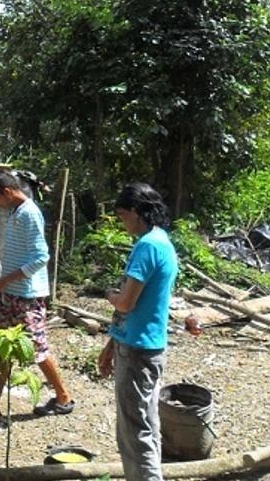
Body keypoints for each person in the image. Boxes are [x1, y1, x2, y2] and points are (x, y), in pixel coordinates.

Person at [0, 170, 73, 425]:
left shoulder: (28, 214)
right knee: (4, 349)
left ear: (7, 192)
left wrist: (5, 281)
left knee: (37, 348)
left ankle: (64, 397)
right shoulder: (15, 212)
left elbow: (41, 257)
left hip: (26, 296)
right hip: (14, 294)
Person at [98, 182, 179, 481]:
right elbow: (143, 306)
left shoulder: (147, 246)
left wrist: (109, 295)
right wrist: (110, 345)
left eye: (122, 216)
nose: (122, 223)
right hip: (146, 345)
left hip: (138, 350)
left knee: (135, 432)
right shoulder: (163, 242)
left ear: (136, 212)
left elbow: (127, 302)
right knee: (145, 423)